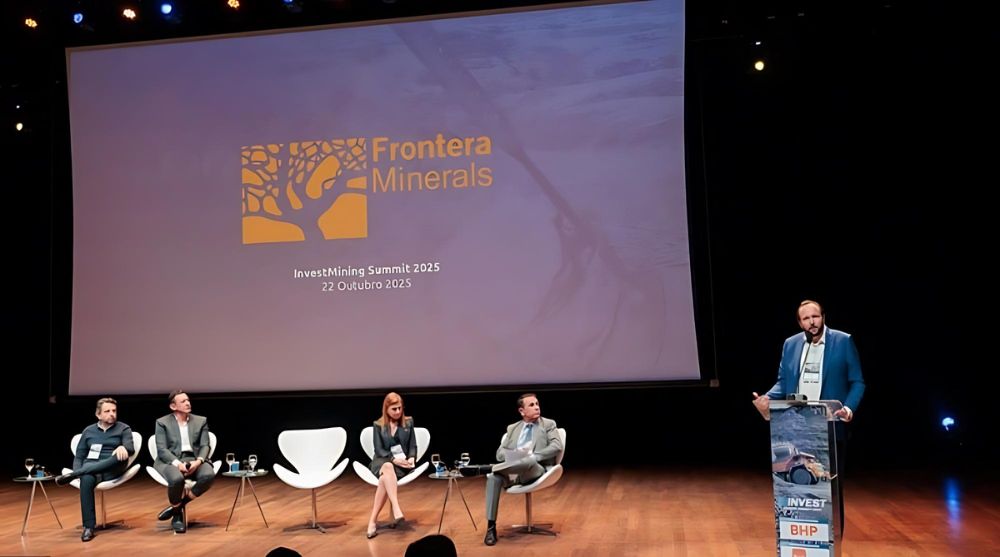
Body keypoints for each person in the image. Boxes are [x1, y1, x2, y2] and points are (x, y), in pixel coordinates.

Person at [752, 299, 865, 534]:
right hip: (796, 427)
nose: (812, 322)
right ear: (800, 322)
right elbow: (783, 382)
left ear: (823, 317)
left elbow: (857, 382)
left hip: (830, 426)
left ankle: (833, 539)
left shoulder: (843, 341)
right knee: (799, 490)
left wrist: (848, 408)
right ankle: (805, 538)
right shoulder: (791, 344)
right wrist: (766, 398)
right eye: (806, 319)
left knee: (831, 489)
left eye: (815, 317)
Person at [483, 393, 562, 546]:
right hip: (512, 472)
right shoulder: (513, 428)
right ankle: (491, 528)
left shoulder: (548, 424)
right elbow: (499, 454)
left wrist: (534, 456)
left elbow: (556, 446)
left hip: (535, 469)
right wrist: (514, 454)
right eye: (531, 405)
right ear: (522, 411)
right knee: (493, 478)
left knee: (528, 460)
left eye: (537, 404)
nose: (537, 407)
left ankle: (489, 468)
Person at [55, 397, 136, 542]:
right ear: (98, 414)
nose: (112, 414)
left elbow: (130, 448)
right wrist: (79, 472)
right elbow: (79, 456)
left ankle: (74, 474)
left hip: (112, 467)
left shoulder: (123, 428)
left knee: (117, 457)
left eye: (114, 411)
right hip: (90, 469)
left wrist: (122, 447)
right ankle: (88, 527)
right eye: (107, 411)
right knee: (86, 479)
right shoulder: (89, 431)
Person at [152, 390, 216, 533]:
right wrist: (178, 464)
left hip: (194, 458)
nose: (188, 403)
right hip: (170, 461)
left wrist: (198, 461)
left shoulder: (200, 421)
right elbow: (162, 450)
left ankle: (177, 507)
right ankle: (177, 516)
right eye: (183, 401)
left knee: (208, 475)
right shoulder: (162, 422)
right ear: (173, 406)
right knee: (176, 479)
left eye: (188, 400)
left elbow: (205, 445)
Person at [365, 392, 416, 539]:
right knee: (387, 467)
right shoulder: (378, 425)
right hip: (381, 461)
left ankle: (372, 521)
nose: (398, 412)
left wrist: (412, 458)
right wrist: (393, 459)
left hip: (401, 465)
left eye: (400, 408)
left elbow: (413, 445)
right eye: (394, 409)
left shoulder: (408, 423)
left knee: (384, 479)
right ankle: (396, 507)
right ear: (386, 409)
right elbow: (379, 449)